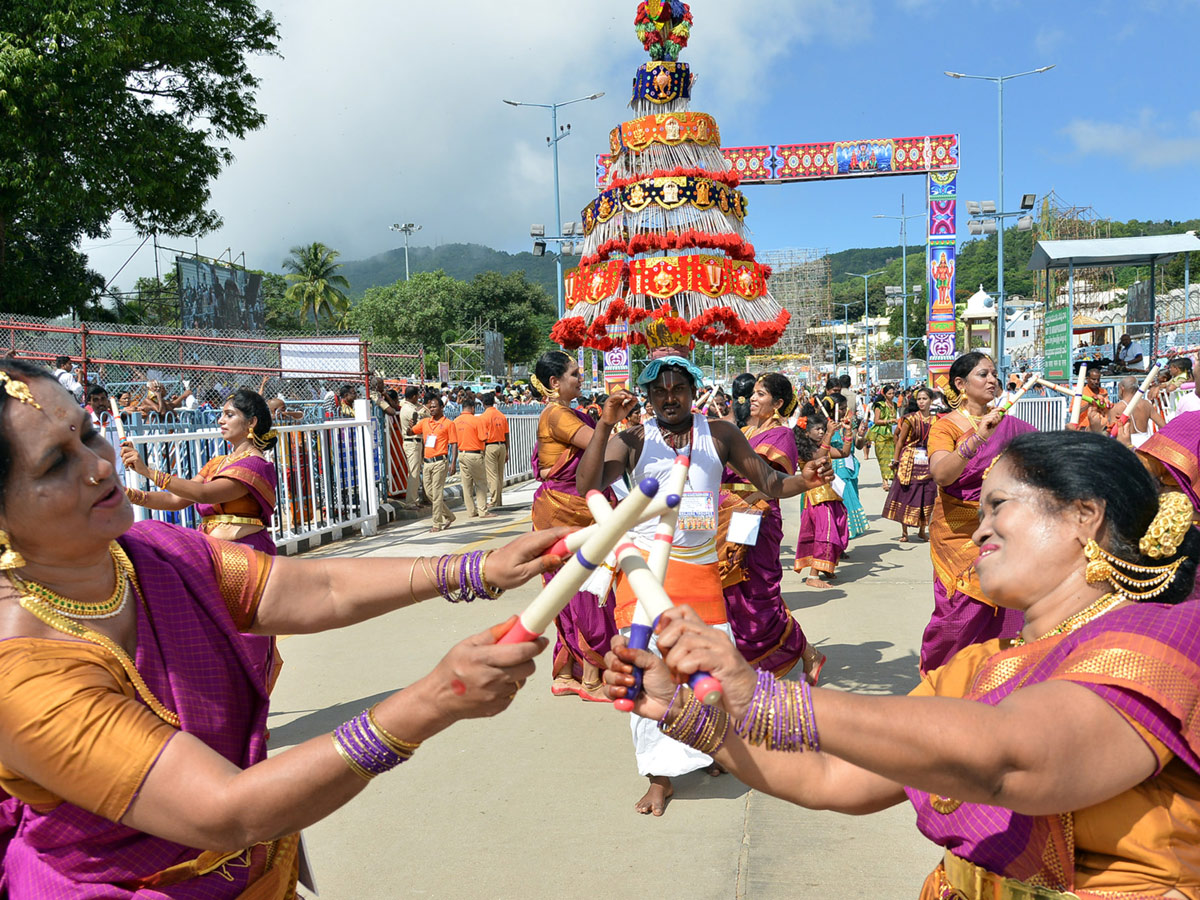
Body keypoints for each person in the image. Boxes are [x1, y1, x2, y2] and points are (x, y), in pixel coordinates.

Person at [0, 359, 566, 897]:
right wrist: (435, 700)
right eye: (55, 463)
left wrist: (476, 568)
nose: (99, 465)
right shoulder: (18, 676)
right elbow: (226, 811)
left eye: (88, 434)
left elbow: (317, 589)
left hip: (255, 874)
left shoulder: (153, 551)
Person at [606, 429, 1200, 900]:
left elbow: (1014, 757)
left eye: (998, 506)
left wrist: (760, 693)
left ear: (1083, 516)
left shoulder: (1167, 636)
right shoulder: (978, 664)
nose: (981, 528)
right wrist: (689, 712)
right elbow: (830, 777)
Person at [576, 356, 829, 816]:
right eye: (659, 390)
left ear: (694, 391)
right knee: (647, 664)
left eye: (678, 388)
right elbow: (587, 484)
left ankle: (710, 747)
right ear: (648, 397)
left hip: (701, 566)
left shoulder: (720, 434)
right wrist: (604, 425)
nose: (669, 397)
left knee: (707, 666)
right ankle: (659, 776)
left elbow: (770, 483)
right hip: (644, 570)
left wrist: (803, 481)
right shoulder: (634, 438)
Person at [923, 352, 1033, 673]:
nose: (992, 380)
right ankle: (942, 679)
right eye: (983, 374)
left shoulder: (1008, 422)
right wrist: (979, 437)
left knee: (1006, 608)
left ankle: (992, 679)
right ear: (960, 384)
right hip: (958, 535)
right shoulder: (945, 426)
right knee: (955, 620)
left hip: (1001, 529)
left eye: (994, 374)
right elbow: (942, 475)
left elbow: (1042, 454)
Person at [719, 374, 826, 683]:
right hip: (728, 515)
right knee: (735, 592)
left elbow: (768, 483)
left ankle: (800, 651)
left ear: (778, 403)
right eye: (753, 393)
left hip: (755, 518)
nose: (753, 398)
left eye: (761, 394)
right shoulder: (747, 430)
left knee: (756, 594)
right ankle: (804, 652)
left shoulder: (781, 434)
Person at [528, 351, 617, 702]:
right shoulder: (558, 414)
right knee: (589, 590)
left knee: (565, 591)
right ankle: (592, 677)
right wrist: (615, 424)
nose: (580, 379)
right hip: (568, 510)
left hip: (564, 507)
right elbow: (601, 446)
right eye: (575, 374)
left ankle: (567, 674)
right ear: (555, 383)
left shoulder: (563, 412)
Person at [122, 389, 280, 556]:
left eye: (229, 415)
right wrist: (127, 494)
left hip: (245, 551)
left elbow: (204, 494)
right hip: (211, 549)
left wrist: (148, 472)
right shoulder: (217, 462)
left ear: (251, 422)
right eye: (222, 414)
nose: (220, 420)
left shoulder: (255, 465)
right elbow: (175, 499)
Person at [793, 415, 853, 587]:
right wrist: (828, 434)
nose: (820, 432)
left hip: (831, 495)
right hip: (817, 498)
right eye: (817, 429)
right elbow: (819, 459)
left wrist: (848, 433)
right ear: (806, 433)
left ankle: (826, 566)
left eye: (822, 429)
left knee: (838, 529)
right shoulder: (805, 450)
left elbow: (844, 453)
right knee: (824, 534)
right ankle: (813, 576)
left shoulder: (822, 446)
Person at [883, 387, 938, 542]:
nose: (921, 402)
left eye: (924, 399)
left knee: (927, 493)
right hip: (910, 459)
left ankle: (922, 530)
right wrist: (895, 460)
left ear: (931, 401)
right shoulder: (910, 419)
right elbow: (900, 441)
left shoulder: (936, 420)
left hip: (927, 459)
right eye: (919, 399)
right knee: (907, 492)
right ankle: (905, 532)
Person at [411, 392, 457, 533]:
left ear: (442, 407)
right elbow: (412, 431)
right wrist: (410, 425)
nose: (431, 409)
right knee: (429, 492)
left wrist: (453, 462)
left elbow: (454, 444)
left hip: (440, 462)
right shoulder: (425, 422)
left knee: (437, 493)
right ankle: (449, 515)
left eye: (434, 407)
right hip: (427, 463)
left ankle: (436, 523)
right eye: (430, 407)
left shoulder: (448, 424)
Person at [454, 391, 493, 519]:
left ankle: (471, 511)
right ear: (472, 408)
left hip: (462, 454)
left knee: (466, 484)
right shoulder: (477, 421)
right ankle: (483, 511)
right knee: (481, 483)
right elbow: (483, 438)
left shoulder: (456, 421)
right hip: (474, 454)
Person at [1109, 375, 1165, 447]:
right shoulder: (1146, 404)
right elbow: (1163, 425)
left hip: (1126, 444)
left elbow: (1113, 433)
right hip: (1146, 443)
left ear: (1122, 388)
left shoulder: (1116, 407)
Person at [398, 385, 429, 508]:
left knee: (416, 472)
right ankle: (411, 501)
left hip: (416, 441)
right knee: (414, 473)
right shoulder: (409, 410)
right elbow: (424, 417)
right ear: (414, 396)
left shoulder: (408, 406)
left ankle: (415, 499)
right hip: (412, 442)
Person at [480, 392, 509, 511]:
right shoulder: (501, 415)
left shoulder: (483, 417)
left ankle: (494, 500)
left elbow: (482, 436)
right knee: (500, 474)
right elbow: (507, 435)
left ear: (483, 403)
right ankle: (499, 500)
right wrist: (507, 450)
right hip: (501, 445)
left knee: (492, 475)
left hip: (490, 446)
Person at [869, 384, 899, 489]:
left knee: (893, 458)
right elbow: (876, 421)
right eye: (889, 393)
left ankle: (893, 479)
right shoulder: (880, 405)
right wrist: (889, 421)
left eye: (893, 393)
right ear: (884, 394)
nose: (891, 395)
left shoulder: (894, 405)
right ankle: (884, 481)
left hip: (892, 434)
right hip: (881, 434)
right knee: (883, 458)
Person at [1076, 362, 1111, 431]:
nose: (1096, 382)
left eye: (1098, 379)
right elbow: (1075, 411)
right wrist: (1089, 404)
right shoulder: (1080, 392)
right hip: (1085, 427)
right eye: (1094, 379)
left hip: (1102, 427)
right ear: (1087, 379)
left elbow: (1106, 409)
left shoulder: (1103, 391)